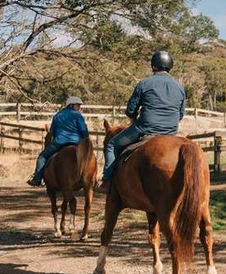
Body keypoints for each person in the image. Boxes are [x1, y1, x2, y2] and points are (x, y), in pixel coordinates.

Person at [96, 50, 186, 193]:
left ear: (153, 66)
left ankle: (106, 181)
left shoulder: (144, 84)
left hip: (145, 129)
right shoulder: (180, 88)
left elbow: (131, 110)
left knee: (112, 145)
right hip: (171, 131)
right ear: (170, 67)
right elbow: (180, 114)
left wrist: (133, 118)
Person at [27, 97, 89, 187]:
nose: (79, 108)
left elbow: (52, 132)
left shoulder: (57, 115)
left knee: (42, 157)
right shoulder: (78, 116)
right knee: (89, 157)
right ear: (71, 105)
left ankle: (37, 179)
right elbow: (84, 132)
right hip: (77, 143)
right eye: (78, 105)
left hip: (59, 143)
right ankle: (92, 180)